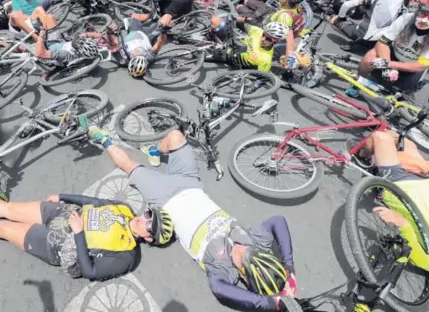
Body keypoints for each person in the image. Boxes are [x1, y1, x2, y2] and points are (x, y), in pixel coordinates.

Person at [85, 127, 297, 310]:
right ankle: (154, 150)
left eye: (241, 256)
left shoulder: (223, 271)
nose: (241, 249)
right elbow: (278, 220)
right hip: (190, 183)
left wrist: (270, 304)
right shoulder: (256, 242)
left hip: (164, 198)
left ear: (242, 275)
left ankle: (104, 140)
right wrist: (289, 270)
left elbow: (221, 291)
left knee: (129, 166)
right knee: (175, 136)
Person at [0, 183, 172, 281]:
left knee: (1, 228)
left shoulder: (127, 255)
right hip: (65, 214)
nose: (144, 217)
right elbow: (94, 201)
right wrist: (63, 197)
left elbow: (90, 271)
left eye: (149, 223)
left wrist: (78, 233)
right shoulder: (126, 209)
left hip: (59, 243)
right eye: (149, 213)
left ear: (148, 238)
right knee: (8, 208)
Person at [349, 130, 429, 282]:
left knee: (381, 137)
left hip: (403, 189)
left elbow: (422, 260)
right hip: (426, 183)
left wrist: (403, 224)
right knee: (406, 143)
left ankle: (362, 158)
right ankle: (373, 158)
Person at [207, 14, 290, 73]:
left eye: (268, 38)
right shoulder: (258, 31)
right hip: (231, 43)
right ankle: (206, 36)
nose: (263, 39)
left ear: (275, 41)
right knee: (216, 20)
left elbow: (262, 79)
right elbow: (240, 24)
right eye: (264, 35)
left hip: (229, 57)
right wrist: (234, 17)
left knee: (200, 55)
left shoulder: (266, 59)